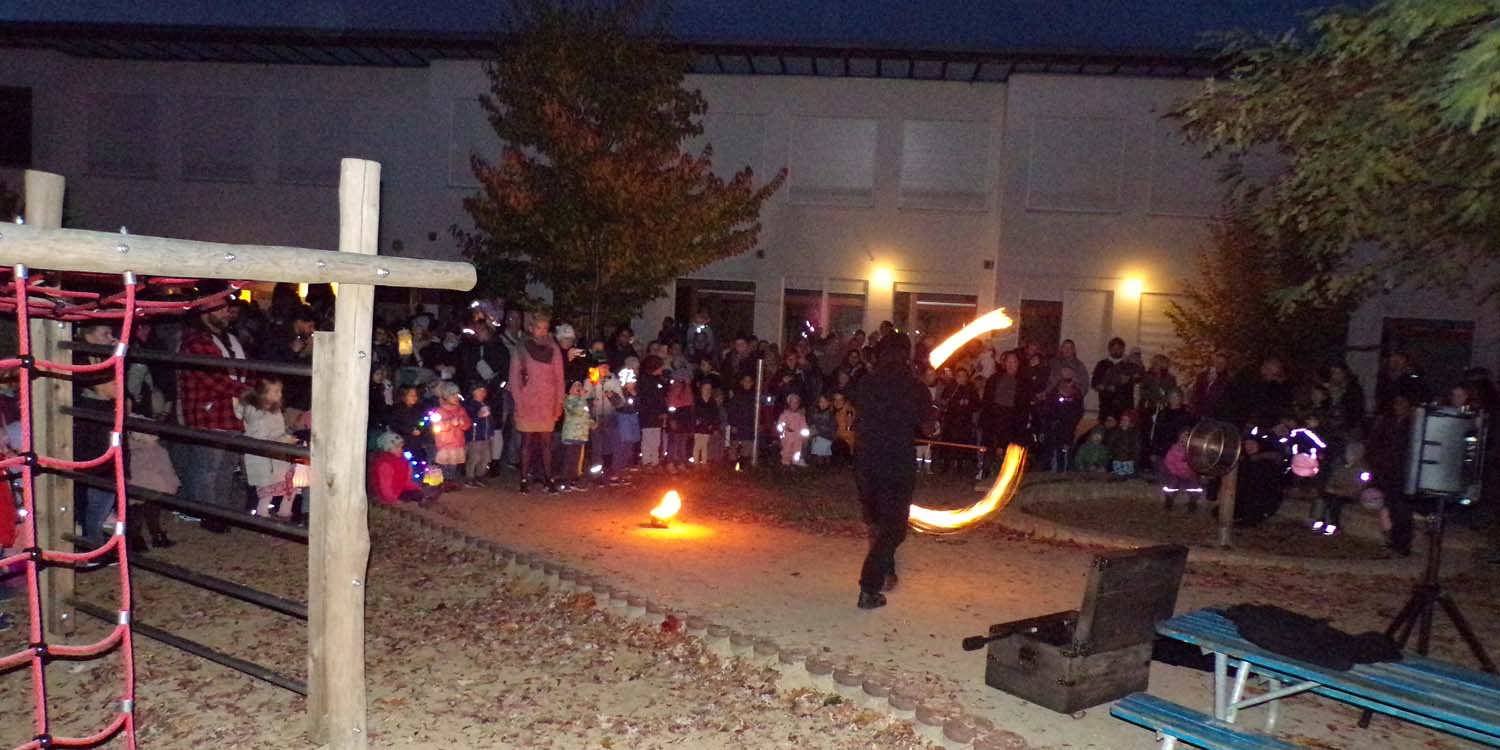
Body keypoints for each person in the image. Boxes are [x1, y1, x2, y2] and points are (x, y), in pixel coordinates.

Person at [850, 333, 928, 610]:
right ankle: (869, 587)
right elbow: (930, 427)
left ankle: (886, 574)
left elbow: (859, 415)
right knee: (894, 530)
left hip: (866, 462)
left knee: (878, 523)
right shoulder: (914, 386)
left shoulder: (867, 383)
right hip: (896, 464)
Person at [175, 297, 251, 533]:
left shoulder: (226, 339)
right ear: (205, 311)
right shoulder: (196, 342)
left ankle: (219, 513)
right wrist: (254, 393)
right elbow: (215, 380)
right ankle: (210, 515)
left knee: (225, 466)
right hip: (209, 411)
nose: (228, 312)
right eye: (221, 308)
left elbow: (240, 374)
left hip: (229, 411)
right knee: (209, 467)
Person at [508, 313, 565, 493]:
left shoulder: (553, 349)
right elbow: (514, 376)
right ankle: (524, 477)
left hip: (547, 401)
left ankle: (548, 477)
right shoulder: (521, 348)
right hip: (528, 399)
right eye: (538, 327)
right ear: (531, 328)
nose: (542, 332)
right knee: (526, 442)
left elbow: (559, 378)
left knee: (547, 443)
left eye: (545, 328)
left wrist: (559, 403)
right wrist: (519, 401)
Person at [237, 378, 299, 521]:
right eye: (276, 391)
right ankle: (262, 515)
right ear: (264, 393)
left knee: (288, 484)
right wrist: (283, 439)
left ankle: (283, 513)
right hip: (266, 457)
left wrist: (286, 436)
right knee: (267, 489)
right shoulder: (258, 412)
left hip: (276, 455)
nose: (280, 395)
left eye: (280, 391)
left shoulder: (273, 409)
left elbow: (276, 431)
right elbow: (261, 436)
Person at [368, 432, 438, 506]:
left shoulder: (403, 461)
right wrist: (393, 499)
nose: (400, 449)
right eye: (397, 447)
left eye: (401, 447)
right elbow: (385, 487)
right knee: (412, 498)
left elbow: (406, 480)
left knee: (419, 494)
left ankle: (423, 499)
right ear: (387, 449)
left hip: (401, 489)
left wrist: (415, 488)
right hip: (391, 494)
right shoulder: (385, 465)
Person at [430, 381, 472, 492]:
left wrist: (463, 422)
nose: (456, 397)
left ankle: (450, 481)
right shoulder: (439, 411)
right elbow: (437, 428)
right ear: (445, 396)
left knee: (453, 465)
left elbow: (468, 424)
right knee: (444, 465)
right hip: (445, 444)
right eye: (452, 394)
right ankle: (442, 482)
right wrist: (450, 423)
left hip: (457, 443)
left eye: (457, 394)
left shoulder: (461, 410)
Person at [1092, 338, 1140, 421]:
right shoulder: (1102, 364)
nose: (1116, 351)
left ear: (1123, 349)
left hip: (1124, 405)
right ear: (1109, 350)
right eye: (1113, 349)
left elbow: (1138, 379)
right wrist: (1106, 387)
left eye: (1119, 349)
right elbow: (1095, 384)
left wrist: (1130, 377)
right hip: (1106, 405)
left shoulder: (1130, 364)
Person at [1160, 426, 1203, 511]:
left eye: (1187, 436)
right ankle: (1169, 500)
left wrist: (1193, 472)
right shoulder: (1175, 449)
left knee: (1195, 487)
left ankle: (1192, 502)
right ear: (1179, 437)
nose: (1185, 438)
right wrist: (1174, 471)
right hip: (1176, 474)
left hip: (1189, 474)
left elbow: (1197, 463)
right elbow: (1168, 462)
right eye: (1183, 436)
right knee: (1172, 485)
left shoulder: (1193, 451)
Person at [636, 355, 668, 469]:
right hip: (648, 414)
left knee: (656, 439)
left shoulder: (657, 380)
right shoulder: (645, 380)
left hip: (656, 415)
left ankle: (654, 460)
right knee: (648, 438)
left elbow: (661, 397)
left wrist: (663, 410)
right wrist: (658, 410)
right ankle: (647, 460)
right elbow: (649, 399)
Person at [559, 381, 591, 490]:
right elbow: (574, 412)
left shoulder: (582, 401)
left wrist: (591, 423)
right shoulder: (568, 400)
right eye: (576, 385)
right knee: (569, 458)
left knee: (577, 460)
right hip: (571, 434)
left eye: (580, 385)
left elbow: (584, 415)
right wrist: (582, 398)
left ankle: (573, 480)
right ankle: (566, 481)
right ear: (570, 389)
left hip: (581, 435)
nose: (579, 387)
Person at [462, 383, 494, 488]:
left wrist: (491, 433)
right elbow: (467, 419)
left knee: (485, 458)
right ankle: (469, 478)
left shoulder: (485, 404)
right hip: (475, 436)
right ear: (473, 392)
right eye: (479, 390)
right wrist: (478, 415)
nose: (483, 393)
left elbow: (489, 421)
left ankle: (480, 476)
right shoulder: (469, 405)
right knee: (474, 457)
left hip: (485, 437)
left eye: (484, 390)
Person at [1107, 410, 1142, 478]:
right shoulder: (1116, 431)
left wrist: (1134, 458)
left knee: (1127, 473)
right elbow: (1111, 442)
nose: (1124, 421)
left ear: (1131, 422)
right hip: (1117, 457)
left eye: (1126, 420)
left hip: (1129, 458)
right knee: (1119, 473)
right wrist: (1111, 454)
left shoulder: (1134, 433)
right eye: (1123, 419)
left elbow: (1137, 446)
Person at [808, 394, 836, 466]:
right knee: (819, 452)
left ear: (828, 403)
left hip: (826, 436)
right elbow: (811, 422)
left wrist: (819, 430)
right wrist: (812, 427)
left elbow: (832, 426)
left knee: (825, 452)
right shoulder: (815, 413)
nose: (823, 404)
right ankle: (820, 465)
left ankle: (825, 464)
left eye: (825, 402)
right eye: (821, 402)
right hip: (817, 436)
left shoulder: (830, 414)